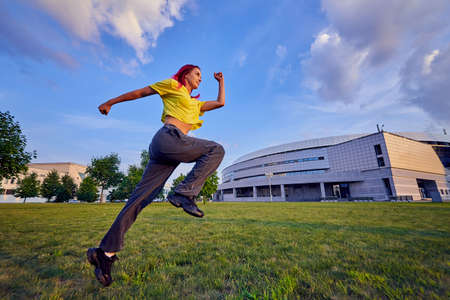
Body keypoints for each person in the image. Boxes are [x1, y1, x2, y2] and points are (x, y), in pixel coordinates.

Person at [87, 64, 225, 287]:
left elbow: (220, 103)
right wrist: (110, 102)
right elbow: (140, 92)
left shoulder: (195, 104)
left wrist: (220, 82)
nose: (200, 78)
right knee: (216, 150)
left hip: (170, 151)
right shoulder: (173, 85)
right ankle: (183, 194)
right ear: (185, 74)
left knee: (140, 200)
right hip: (169, 138)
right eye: (197, 74)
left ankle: (104, 254)